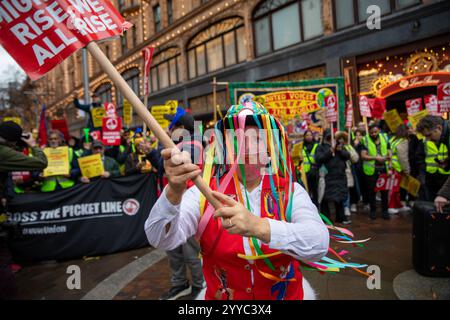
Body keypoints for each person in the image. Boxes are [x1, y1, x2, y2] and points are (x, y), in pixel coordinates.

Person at [145, 102, 329, 300]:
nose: (246, 145)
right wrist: (173, 191)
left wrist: (259, 226)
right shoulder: (202, 192)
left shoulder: (290, 192)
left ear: (269, 149)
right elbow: (159, 238)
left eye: (256, 138)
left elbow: (319, 244)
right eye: (237, 139)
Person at [148, 107, 206, 300]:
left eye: (171, 125)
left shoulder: (192, 145)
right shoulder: (182, 143)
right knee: (173, 249)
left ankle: (200, 286)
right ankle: (180, 283)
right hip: (174, 202)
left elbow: (170, 165)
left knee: (190, 251)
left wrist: (154, 151)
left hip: (187, 204)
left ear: (180, 127)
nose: (168, 128)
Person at [0, 121, 48, 299]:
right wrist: (34, 145)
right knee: (2, 263)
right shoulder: (3, 152)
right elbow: (40, 163)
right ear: (12, 142)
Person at [316, 129, 351, 225]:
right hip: (327, 177)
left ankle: (341, 217)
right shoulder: (320, 147)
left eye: (332, 137)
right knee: (325, 198)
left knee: (339, 198)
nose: (330, 139)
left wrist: (339, 150)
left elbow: (347, 156)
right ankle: (326, 219)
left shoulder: (340, 146)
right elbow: (319, 159)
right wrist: (330, 151)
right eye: (328, 137)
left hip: (340, 176)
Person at [360, 122, 391, 220]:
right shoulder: (365, 140)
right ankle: (373, 211)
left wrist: (390, 168)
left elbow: (390, 155)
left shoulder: (385, 138)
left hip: (384, 170)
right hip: (371, 171)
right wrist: (376, 158)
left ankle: (385, 211)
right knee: (372, 192)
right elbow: (363, 156)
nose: (373, 134)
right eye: (371, 132)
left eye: (375, 132)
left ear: (379, 131)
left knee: (384, 192)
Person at [416, 116, 450, 201]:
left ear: (439, 128)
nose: (428, 139)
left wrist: (443, 194)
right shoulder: (445, 136)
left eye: (429, 135)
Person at [388, 124, 411, 214]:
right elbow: (403, 158)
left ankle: (398, 205)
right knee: (394, 189)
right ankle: (391, 206)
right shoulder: (403, 141)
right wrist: (406, 170)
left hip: (392, 166)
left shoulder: (393, 139)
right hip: (398, 168)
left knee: (394, 188)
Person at [300, 130, 319, 207]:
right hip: (304, 174)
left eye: (310, 135)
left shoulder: (316, 146)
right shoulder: (301, 146)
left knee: (315, 192)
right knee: (306, 191)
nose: (309, 137)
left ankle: (316, 206)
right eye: (307, 135)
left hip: (314, 173)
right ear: (304, 137)